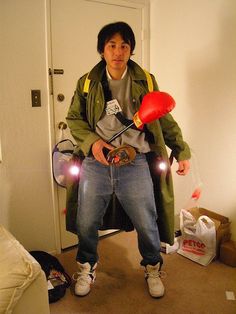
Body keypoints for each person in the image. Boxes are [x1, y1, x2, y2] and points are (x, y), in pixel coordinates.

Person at [66, 21, 191, 298]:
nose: (118, 51)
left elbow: (162, 117)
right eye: (112, 45)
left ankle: (152, 267)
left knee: (147, 220)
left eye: (124, 45)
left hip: (135, 162)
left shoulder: (145, 80)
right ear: (102, 50)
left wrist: (181, 149)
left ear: (131, 49)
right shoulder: (87, 82)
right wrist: (93, 143)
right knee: (86, 221)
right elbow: (73, 119)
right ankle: (86, 265)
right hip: (96, 162)